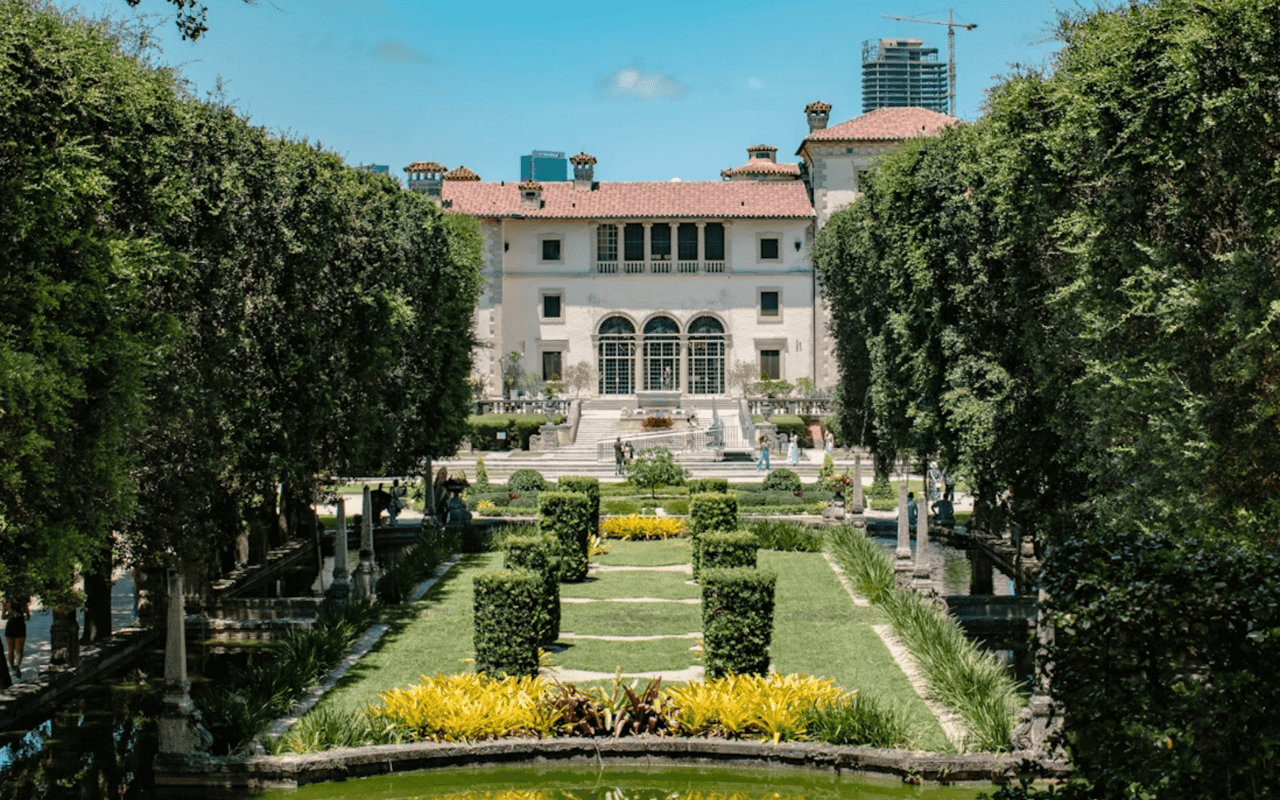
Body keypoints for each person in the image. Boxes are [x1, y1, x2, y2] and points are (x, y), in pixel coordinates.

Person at [5, 597, 30, 679]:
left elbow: (3, 616)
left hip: (14, 626)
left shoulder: (8, 602)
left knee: (14, 649)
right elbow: (28, 617)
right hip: (18, 625)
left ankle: (15, 668)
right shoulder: (23, 602)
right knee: (17, 649)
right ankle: (16, 667)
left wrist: (10, 614)